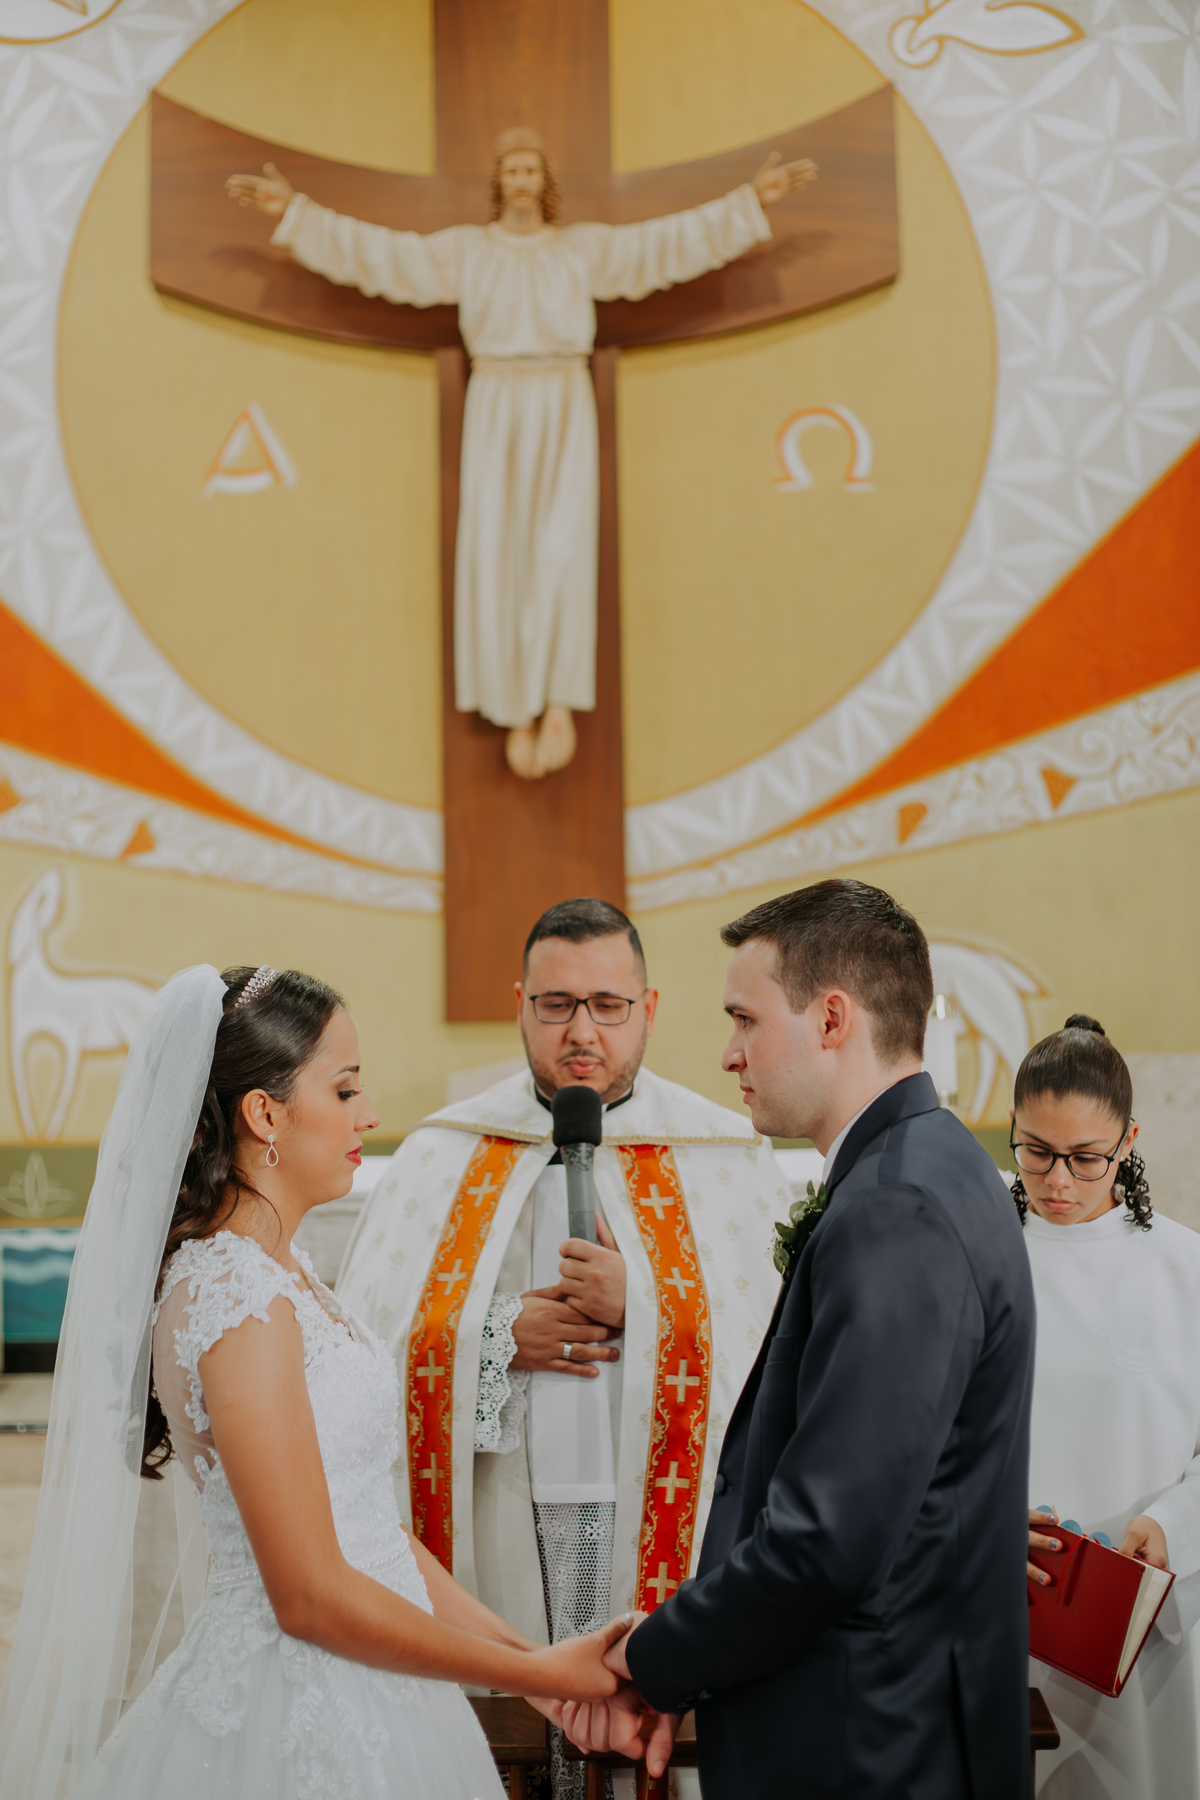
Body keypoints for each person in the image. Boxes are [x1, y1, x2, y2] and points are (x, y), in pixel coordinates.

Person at [0, 963, 625, 1800]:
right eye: (345, 1089)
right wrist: (540, 1672)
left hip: (376, 1691)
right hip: (292, 1711)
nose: (369, 1114)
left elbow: (373, 1536)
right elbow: (307, 1596)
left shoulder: (286, 1275)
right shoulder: (235, 1296)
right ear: (265, 1114)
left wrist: (539, 1670)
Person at [564, 878, 1037, 1798]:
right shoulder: (931, 1163)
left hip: (868, 1744)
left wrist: (656, 1659)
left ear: (831, 1019)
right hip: (890, 1720)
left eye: (745, 1020)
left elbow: (827, 1541)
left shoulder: (895, 1206)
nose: (728, 1054)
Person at [336, 897, 787, 1800]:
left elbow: (781, 1353)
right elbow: (360, 1355)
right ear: (521, 1004)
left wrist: (644, 1305)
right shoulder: (442, 1152)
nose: (582, 1031)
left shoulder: (727, 1153)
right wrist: (498, 1333)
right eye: (556, 1005)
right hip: (500, 1517)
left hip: (664, 1521)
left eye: (608, 1006)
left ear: (648, 1009)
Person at [226, 133, 815, 779]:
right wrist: (297, 214)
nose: (522, 179)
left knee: (564, 545)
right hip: (496, 398)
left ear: (544, 181)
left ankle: (558, 700)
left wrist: (748, 203)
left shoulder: (581, 250)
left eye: (531, 168)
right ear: (499, 183)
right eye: (511, 170)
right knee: (495, 547)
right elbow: (385, 257)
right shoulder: (469, 252)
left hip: (563, 395)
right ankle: (511, 704)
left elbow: (664, 246)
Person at [1013, 1015, 1200, 1797]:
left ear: (1128, 1141)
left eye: (1087, 1158)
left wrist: (1173, 1526)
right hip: (1005, 1601)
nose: (1058, 1181)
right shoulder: (980, 1258)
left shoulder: (1184, 1268)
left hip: (1149, 1619)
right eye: (1036, 1151)